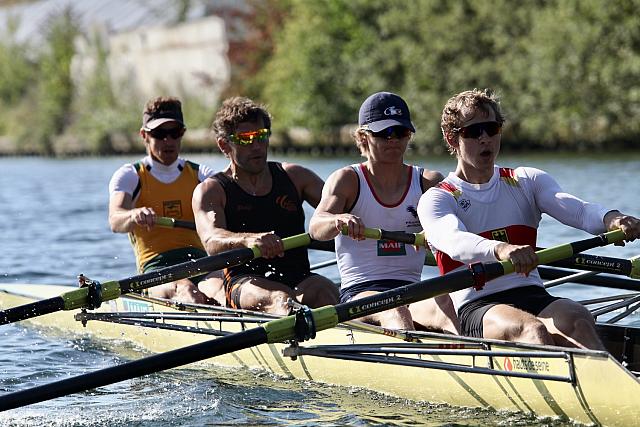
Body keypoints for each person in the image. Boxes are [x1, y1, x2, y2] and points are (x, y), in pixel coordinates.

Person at [417, 88, 640, 349]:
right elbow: (454, 241)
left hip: (532, 294)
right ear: (452, 138)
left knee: (579, 317)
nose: (485, 138)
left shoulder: (525, 181)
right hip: (477, 304)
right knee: (531, 330)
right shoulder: (438, 198)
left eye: (492, 129)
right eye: (473, 132)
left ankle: (608, 385)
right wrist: (501, 249)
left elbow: (579, 210)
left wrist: (612, 219)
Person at [309, 92, 459, 333]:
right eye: (384, 133)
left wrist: (441, 235)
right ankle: (413, 363)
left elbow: (460, 230)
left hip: (412, 289)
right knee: (395, 310)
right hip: (360, 295)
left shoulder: (428, 182)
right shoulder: (348, 180)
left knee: (447, 302)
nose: (393, 140)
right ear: (363, 137)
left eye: (400, 133)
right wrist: (338, 219)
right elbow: (316, 227)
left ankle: (470, 361)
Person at [192, 96, 339, 314]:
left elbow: (347, 208)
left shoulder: (296, 177)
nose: (257, 146)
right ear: (224, 145)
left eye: (261, 136)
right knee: (280, 300)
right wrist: (249, 239)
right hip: (246, 282)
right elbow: (211, 241)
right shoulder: (212, 190)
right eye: (245, 139)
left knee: (328, 292)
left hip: (300, 278)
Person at [108, 96, 222, 304]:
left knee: (222, 292)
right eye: (159, 134)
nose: (168, 141)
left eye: (174, 133)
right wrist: (134, 214)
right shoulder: (130, 176)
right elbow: (116, 220)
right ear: (144, 135)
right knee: (188, 292)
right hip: (156, 269)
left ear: (182, 134)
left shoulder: (202, 174)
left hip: (201, 263)